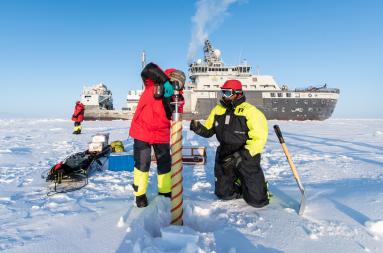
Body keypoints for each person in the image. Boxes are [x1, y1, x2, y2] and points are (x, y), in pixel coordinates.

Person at [190, 79, 269, 208]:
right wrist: (198, 128)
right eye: (223, 92)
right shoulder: (218, 109)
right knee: (223, 194)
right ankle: (236, 185)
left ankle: (255, 188)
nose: (224, 95)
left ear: (237, 93)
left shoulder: (250, 111)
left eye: (227, 92)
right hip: (225, 153)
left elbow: (259, 139)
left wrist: (241, 155)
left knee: (257, 201)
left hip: (245, 153)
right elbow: (209, 131)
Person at [129, 62, 185, 208]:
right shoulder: (151, 83)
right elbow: (148, 68)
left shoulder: (178, 98)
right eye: (174, 82)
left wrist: (170, 99)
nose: (175, 86)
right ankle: (140, 195)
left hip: (162, 133)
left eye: (178, 84)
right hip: (142, 130)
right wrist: (165, 82)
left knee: (165, 163)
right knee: (142, 163)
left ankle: (165, 190)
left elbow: (173, 115)